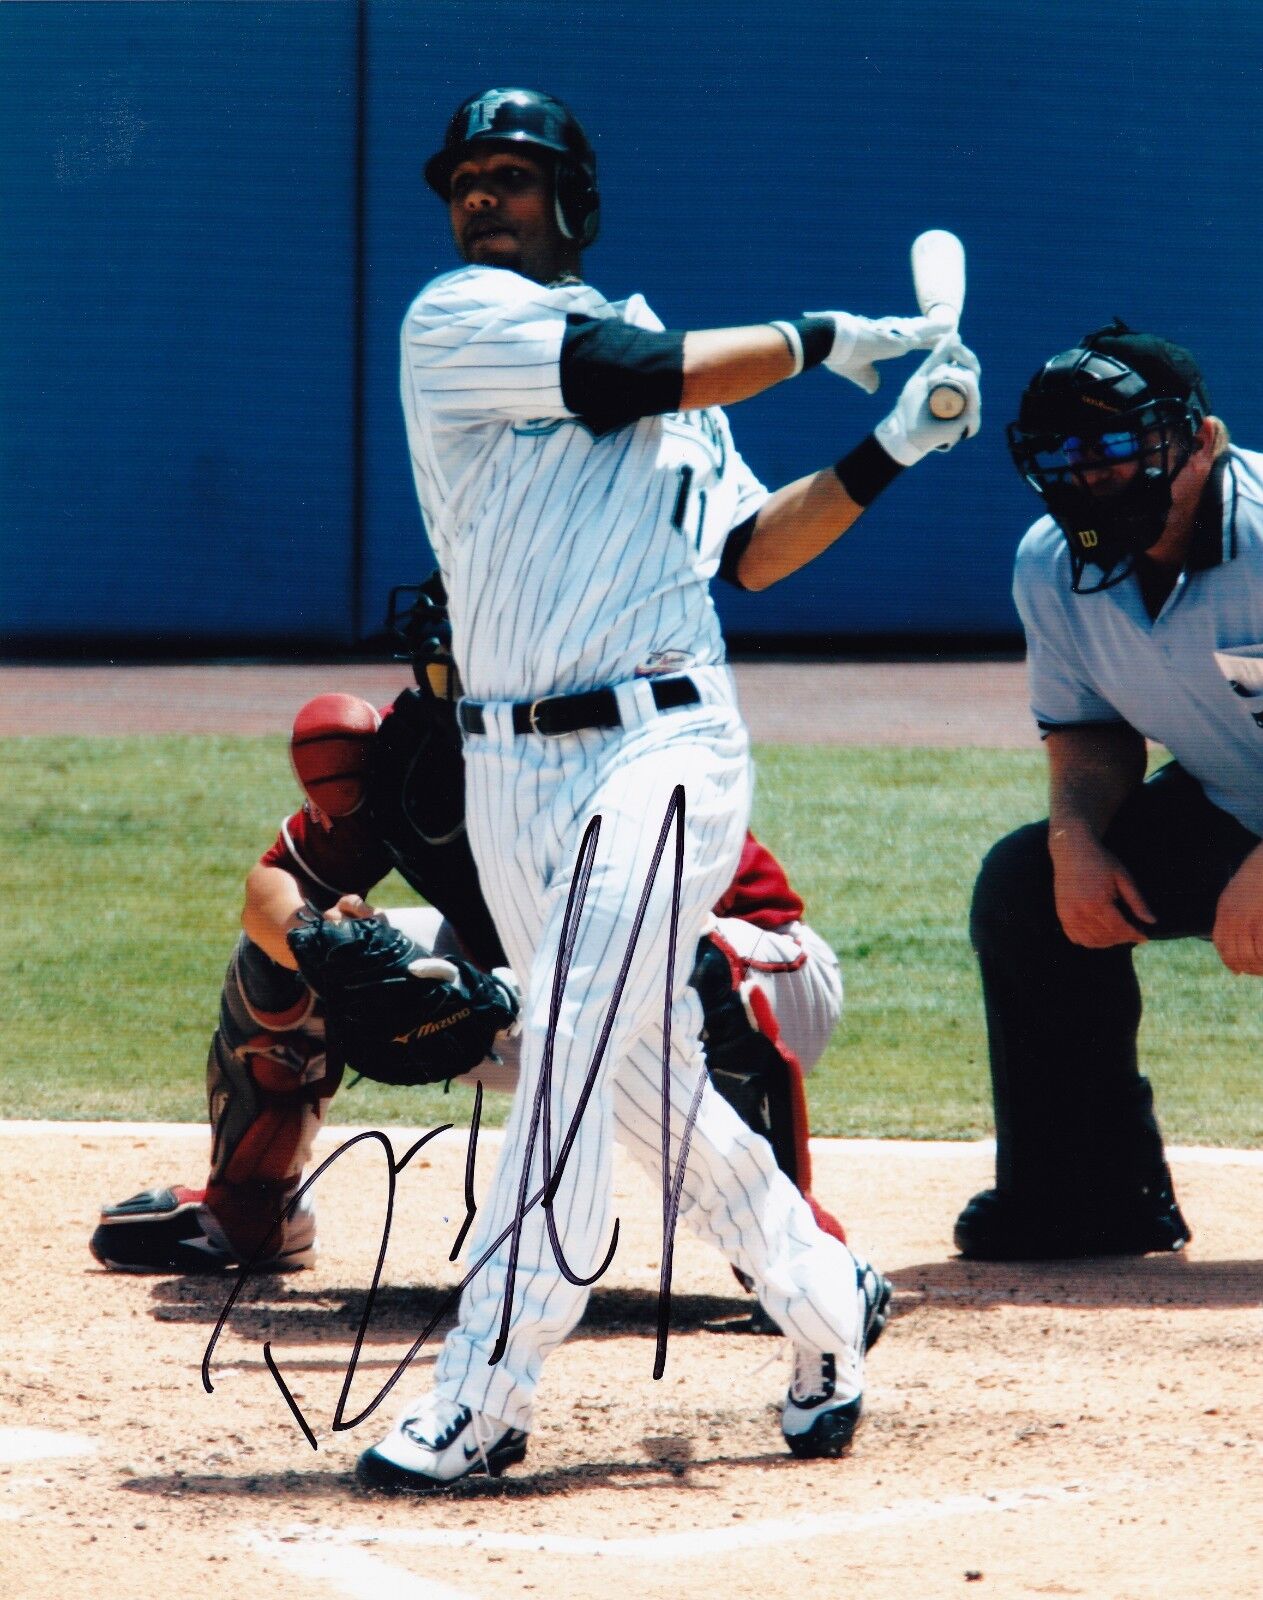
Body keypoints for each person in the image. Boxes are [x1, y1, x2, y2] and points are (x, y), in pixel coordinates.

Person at [356, 86, 980, 1491]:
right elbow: (635, 373)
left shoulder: (665, 367)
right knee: (640, 1086)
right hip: (508, 767)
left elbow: (750, 553)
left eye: (513, 177)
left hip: (666, 747)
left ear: (571, 197)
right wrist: (824, 340)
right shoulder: (461, 322)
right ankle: (826, 1301)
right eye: (466, 179)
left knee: (572, 1036)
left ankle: (487, 1387)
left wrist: (894, 445)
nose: (481, 199)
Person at [89, 642, 852, 1279]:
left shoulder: (610, 735)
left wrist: (527, 987)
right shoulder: (401, 757)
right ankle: (249, 1209)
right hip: (541, 1010)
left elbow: (640, 926)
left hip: (756, 980)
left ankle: (787, 1238)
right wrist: (319, 945)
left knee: (690, 955)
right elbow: (273, 884)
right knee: (284, 952)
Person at [955, 319, 1262, 1261]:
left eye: (1120, 447)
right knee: (1026, 887)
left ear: (1200, 440)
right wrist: (1074, 838)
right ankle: (1087, 1195)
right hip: (1231, 811)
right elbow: (1089, 728)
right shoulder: (1050, 566)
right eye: (1067, 454)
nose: (1091, 477)